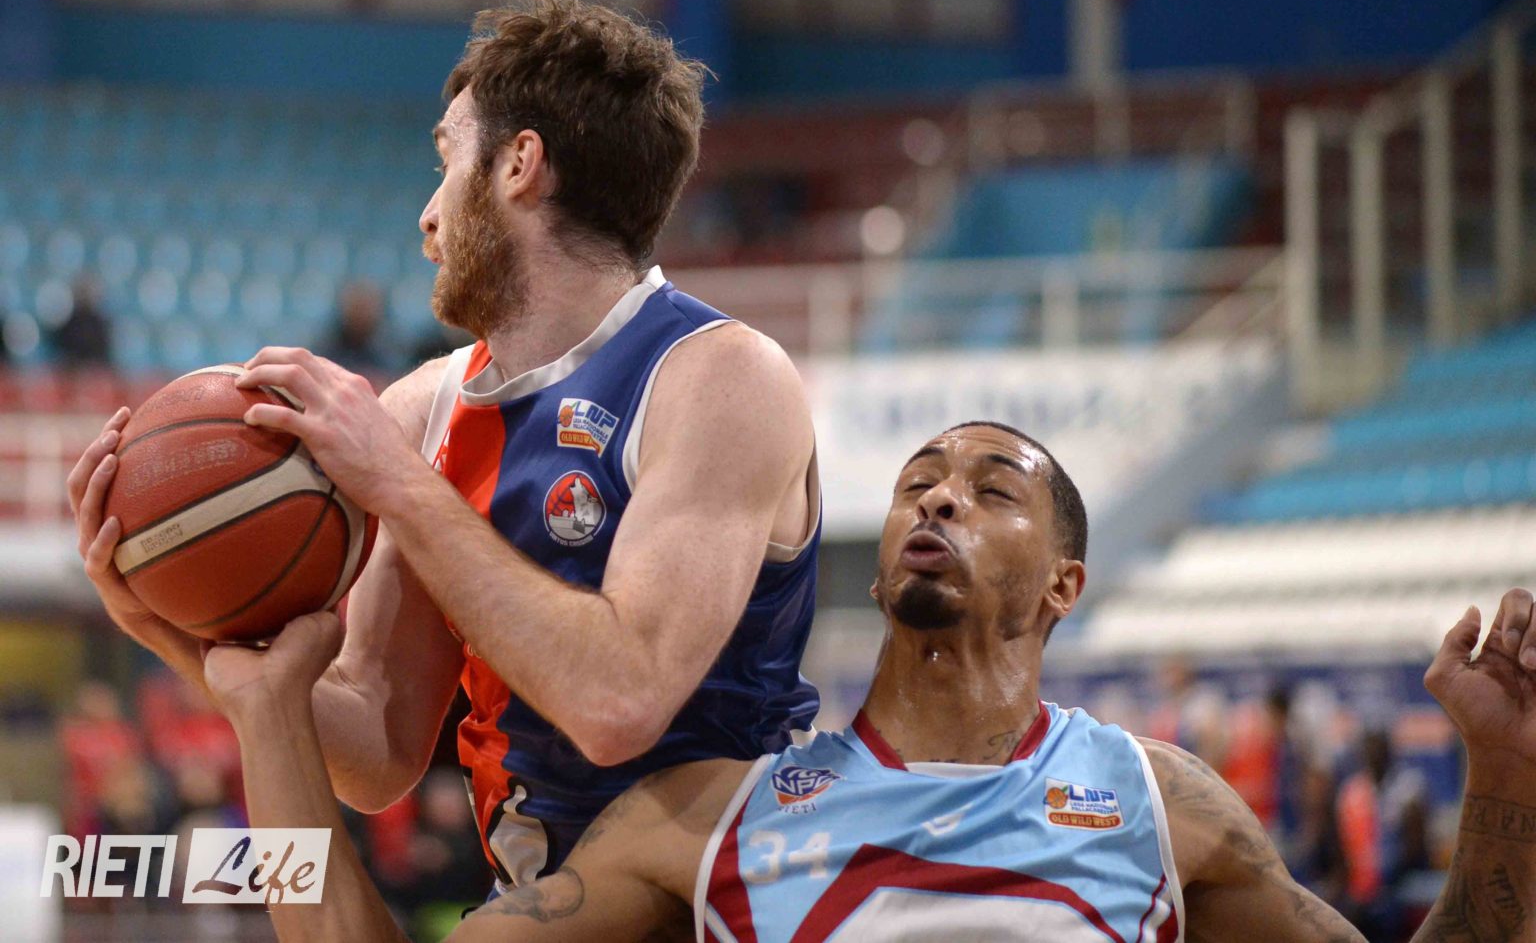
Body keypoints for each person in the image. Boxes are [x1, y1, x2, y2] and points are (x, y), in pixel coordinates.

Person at [209, 421, 1536, 941]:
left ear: (1064, 584)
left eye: (992, 489)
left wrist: (1508, 771)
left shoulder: (1160, 802)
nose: (939, 498)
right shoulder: (709, 815)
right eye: (918, 484)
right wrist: (269, 716)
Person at [66, 0, 820, 891]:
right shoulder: (424, 409)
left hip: (720, 904)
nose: (428, 216)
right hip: (531, 902)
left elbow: (620, 702)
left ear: (519, 166)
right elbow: (377, 750)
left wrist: (398, 481)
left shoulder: (722, 378)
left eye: (447, 161)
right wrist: (173, 633)